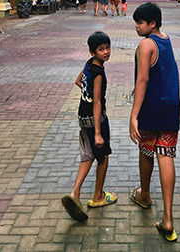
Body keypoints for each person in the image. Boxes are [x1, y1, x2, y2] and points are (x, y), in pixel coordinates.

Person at [128, 2, 180, 242]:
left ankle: (146, 195)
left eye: (140, 23)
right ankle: (168, 218)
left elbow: (143, 80)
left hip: (151, 107)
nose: (137, 27)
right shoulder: (165, 39)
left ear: (152, 23)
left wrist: (134, 115)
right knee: (166, 154)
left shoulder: (146, 44)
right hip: (171, 105)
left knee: (146, 151)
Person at [61, 31, 115, 221]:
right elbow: (98, 102)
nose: (106, 52)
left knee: (87, 156)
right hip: (95, 120)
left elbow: (78, 81)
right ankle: (98, 196)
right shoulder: (98, 72)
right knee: (102, 156)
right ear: (93, 51)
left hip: (82, 116)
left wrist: (87, 92)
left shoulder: (88, 64)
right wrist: (98, 133)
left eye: (108, 48)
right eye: (102, 50)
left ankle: (75, 193)